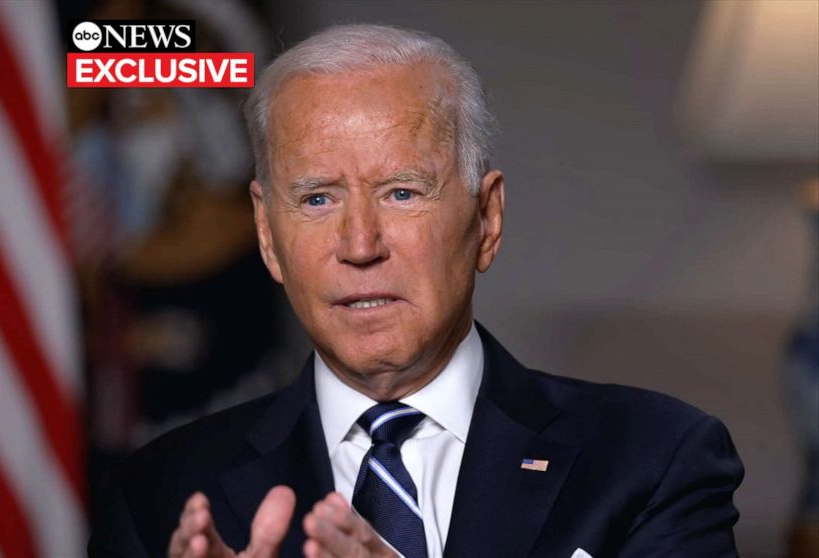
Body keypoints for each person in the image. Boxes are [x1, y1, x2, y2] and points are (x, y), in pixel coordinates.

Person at [88, 24, 744, 558]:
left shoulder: (653, 460)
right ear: (267, 235)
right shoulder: (155, 496)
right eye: (318, 199)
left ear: (486, 220)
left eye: (401, 193)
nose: (360, 244)